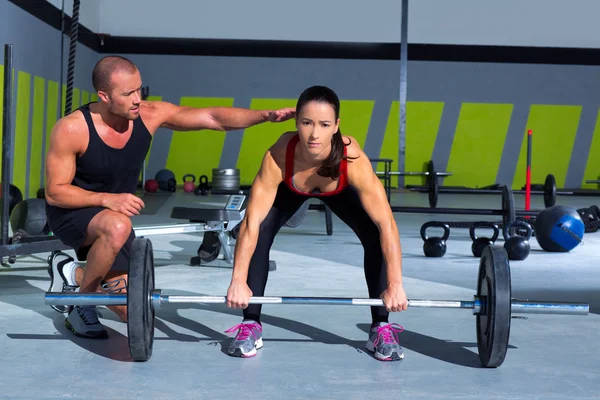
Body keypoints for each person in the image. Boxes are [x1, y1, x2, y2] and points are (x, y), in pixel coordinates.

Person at [45, 55, 296, 339]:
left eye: (139, 89)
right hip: (72, 213)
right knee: (118, 226)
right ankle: (81, 304)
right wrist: (107, 199)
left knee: (136, 313)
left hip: (115, 218)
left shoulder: (149, 115)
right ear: (104, 95)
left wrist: (265, 116)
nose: (137, 99)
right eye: (127, 93)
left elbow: (211, 117)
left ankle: (72, 273)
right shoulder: (72, 128)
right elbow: (55, 193)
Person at [224, 85, 408, 361]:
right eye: (307, 123)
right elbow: (250, 223)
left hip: (339, 190)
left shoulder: (352, 157)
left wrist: (395, 285)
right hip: (290, 190)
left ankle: (381, 326)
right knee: (260, 232)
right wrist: (237, 281)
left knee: (373, 233)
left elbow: (387, 225)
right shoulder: (278, 155)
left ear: (336, 126)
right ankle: (251, 324)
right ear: (296, 121)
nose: (314, 134)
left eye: (323, 124)